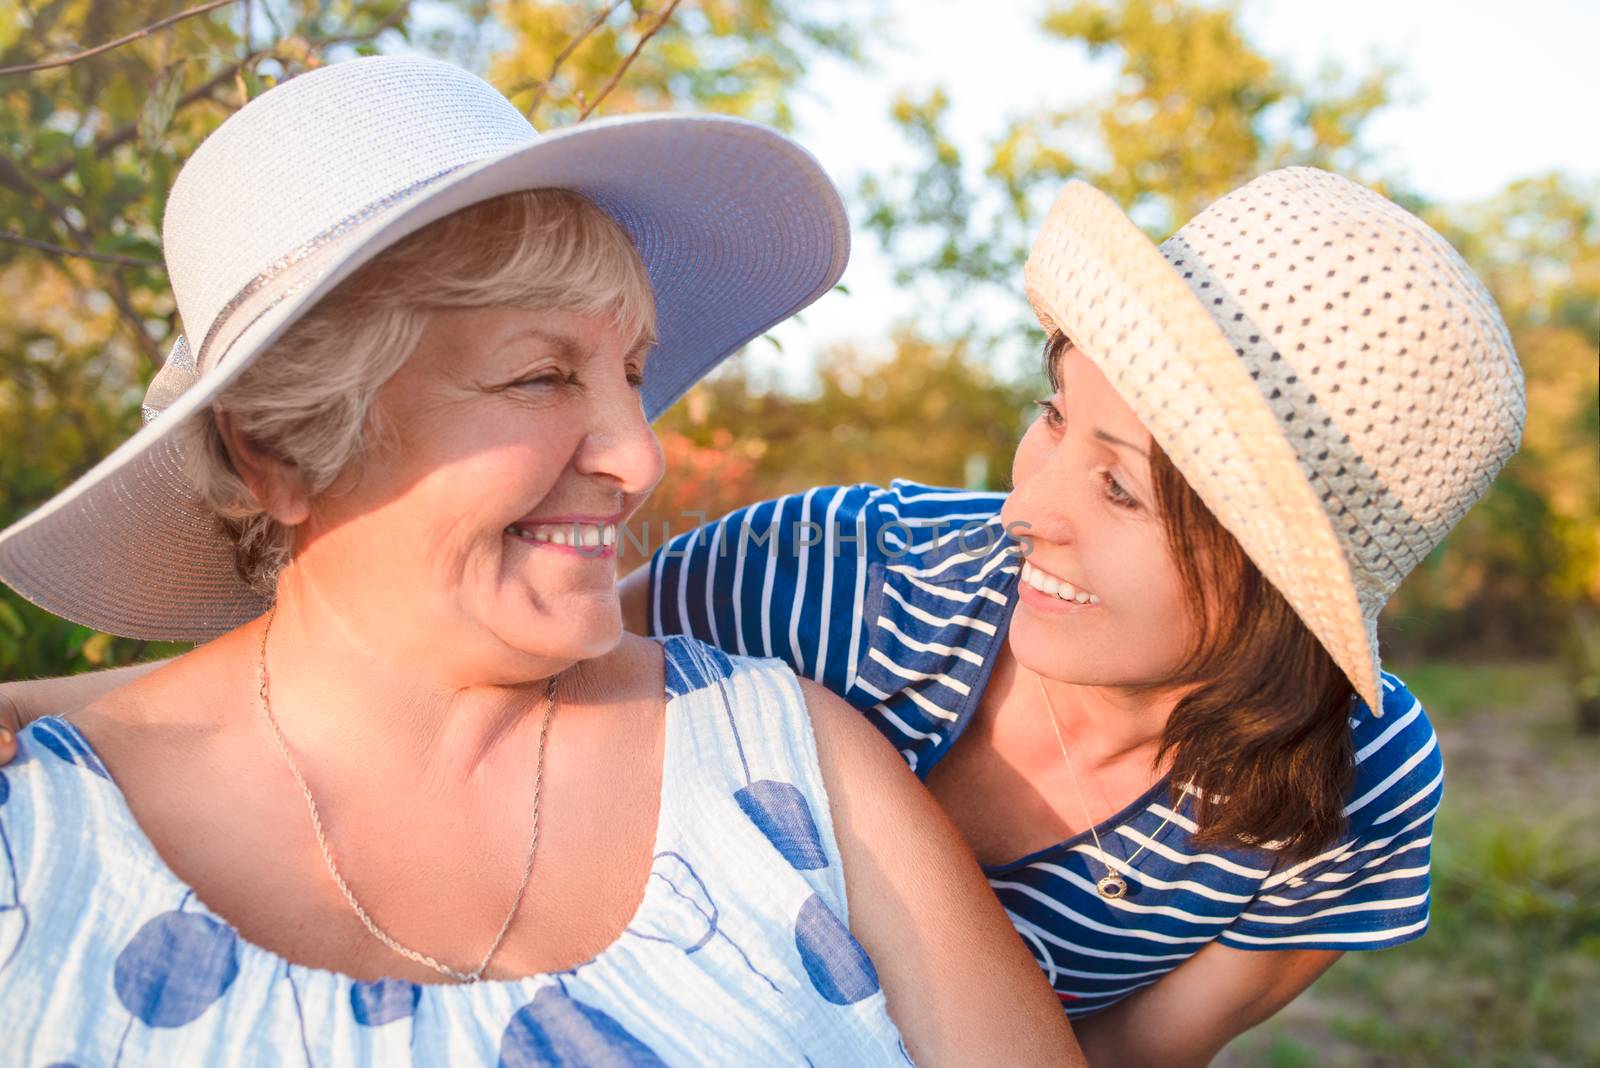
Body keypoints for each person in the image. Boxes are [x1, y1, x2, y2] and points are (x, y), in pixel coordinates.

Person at [0, 143, 1524, 1068]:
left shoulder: (1359, 788)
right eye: (1054, 415)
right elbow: (454, 643)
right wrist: (72, 718)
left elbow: (1128, 1053)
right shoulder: (831, 585)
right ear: (278, 449)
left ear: (1289, 598)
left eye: (1124, 491)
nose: (1027, 504)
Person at [0, 56, 1081, 1067]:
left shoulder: (791, 763)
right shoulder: (33, 830)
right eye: (539, 378)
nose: (638, 456)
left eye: (633, 373)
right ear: (277, 449)